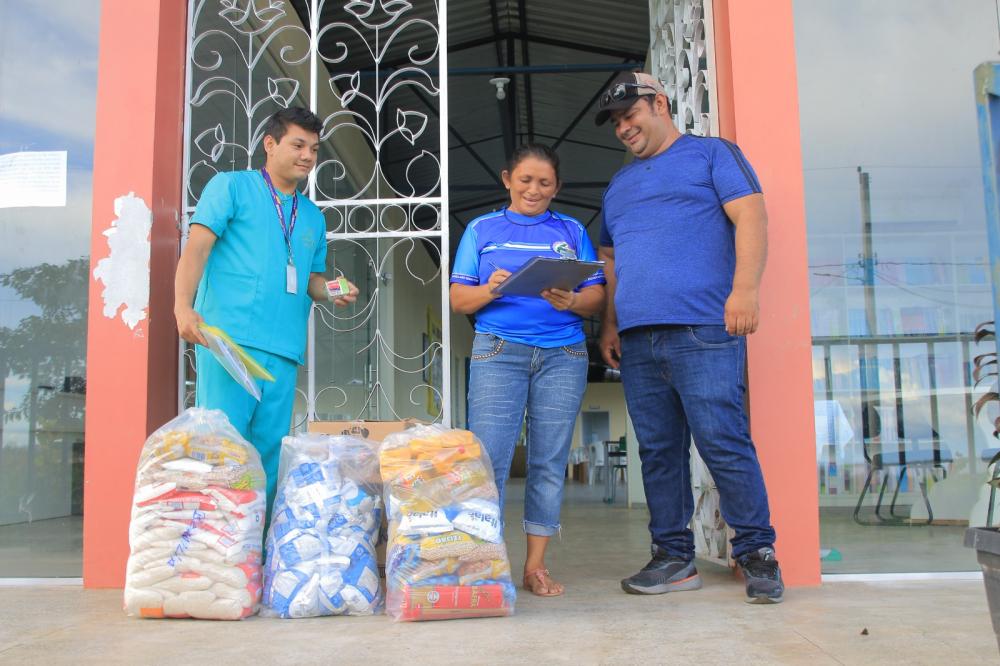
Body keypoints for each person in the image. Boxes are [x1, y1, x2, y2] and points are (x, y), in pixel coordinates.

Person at [594, 73, 785, 603]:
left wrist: (744, 290)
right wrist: (610, 323)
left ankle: (757, 554)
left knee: (723, 442)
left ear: (659, 103)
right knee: (658, 452)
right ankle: (673, 557)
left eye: (630, 114)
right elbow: (611, 260)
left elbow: (752, 215)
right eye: (615, 122)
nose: (623, 128)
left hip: (703, 329)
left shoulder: (712, 155)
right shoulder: (619, 186)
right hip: (637, 339)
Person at [174, 106, 358, 524]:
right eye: (298, 145)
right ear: (270, 144)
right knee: (223, 447)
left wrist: (334, 290)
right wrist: (182, 307)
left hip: (283, 350)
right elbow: (197, 248)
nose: (308, 156)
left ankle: (255, 552)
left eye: (314, 148)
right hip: (228, 341)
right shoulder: (231, 187)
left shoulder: (312, 214)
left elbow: (311, 279)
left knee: (270, 453)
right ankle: (217, 547)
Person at [450, 143, 606, 597]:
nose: (534, 190)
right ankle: (486, 565)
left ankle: (535, 567)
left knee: (549, 462)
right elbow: (459, 299)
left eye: (544, 182)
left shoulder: (572, 229)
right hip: (499, 351)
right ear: (506, 180)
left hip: (564, 354)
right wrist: (491, 290)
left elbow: (597, 294)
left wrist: (574, 300)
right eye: (525, 180)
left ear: (556, 187)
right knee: (489, 461)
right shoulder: (482, 229)